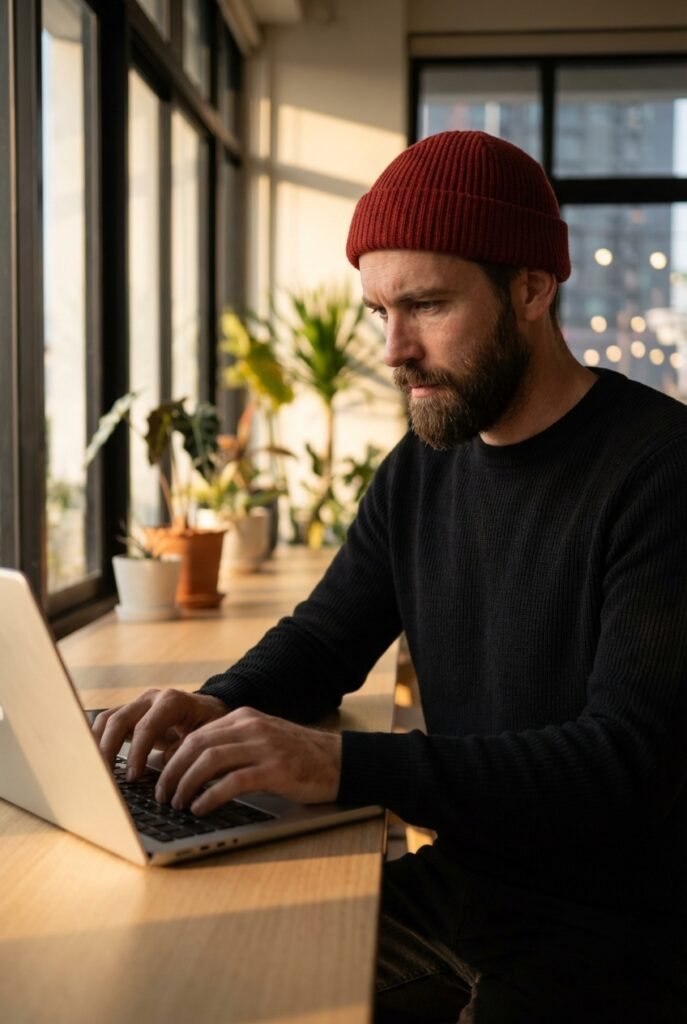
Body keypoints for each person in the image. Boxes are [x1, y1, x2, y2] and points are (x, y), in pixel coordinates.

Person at [94, 131, 687, 1022]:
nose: (391, 349)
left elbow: (623, 766)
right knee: (196, 973)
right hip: (465, 882)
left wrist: (338, 764)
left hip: (618, 925)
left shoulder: (661, 471)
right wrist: (212, 708)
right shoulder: (421, 468)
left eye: (426, 306)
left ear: (531, 289)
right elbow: (325, 640)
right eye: (379, 311)